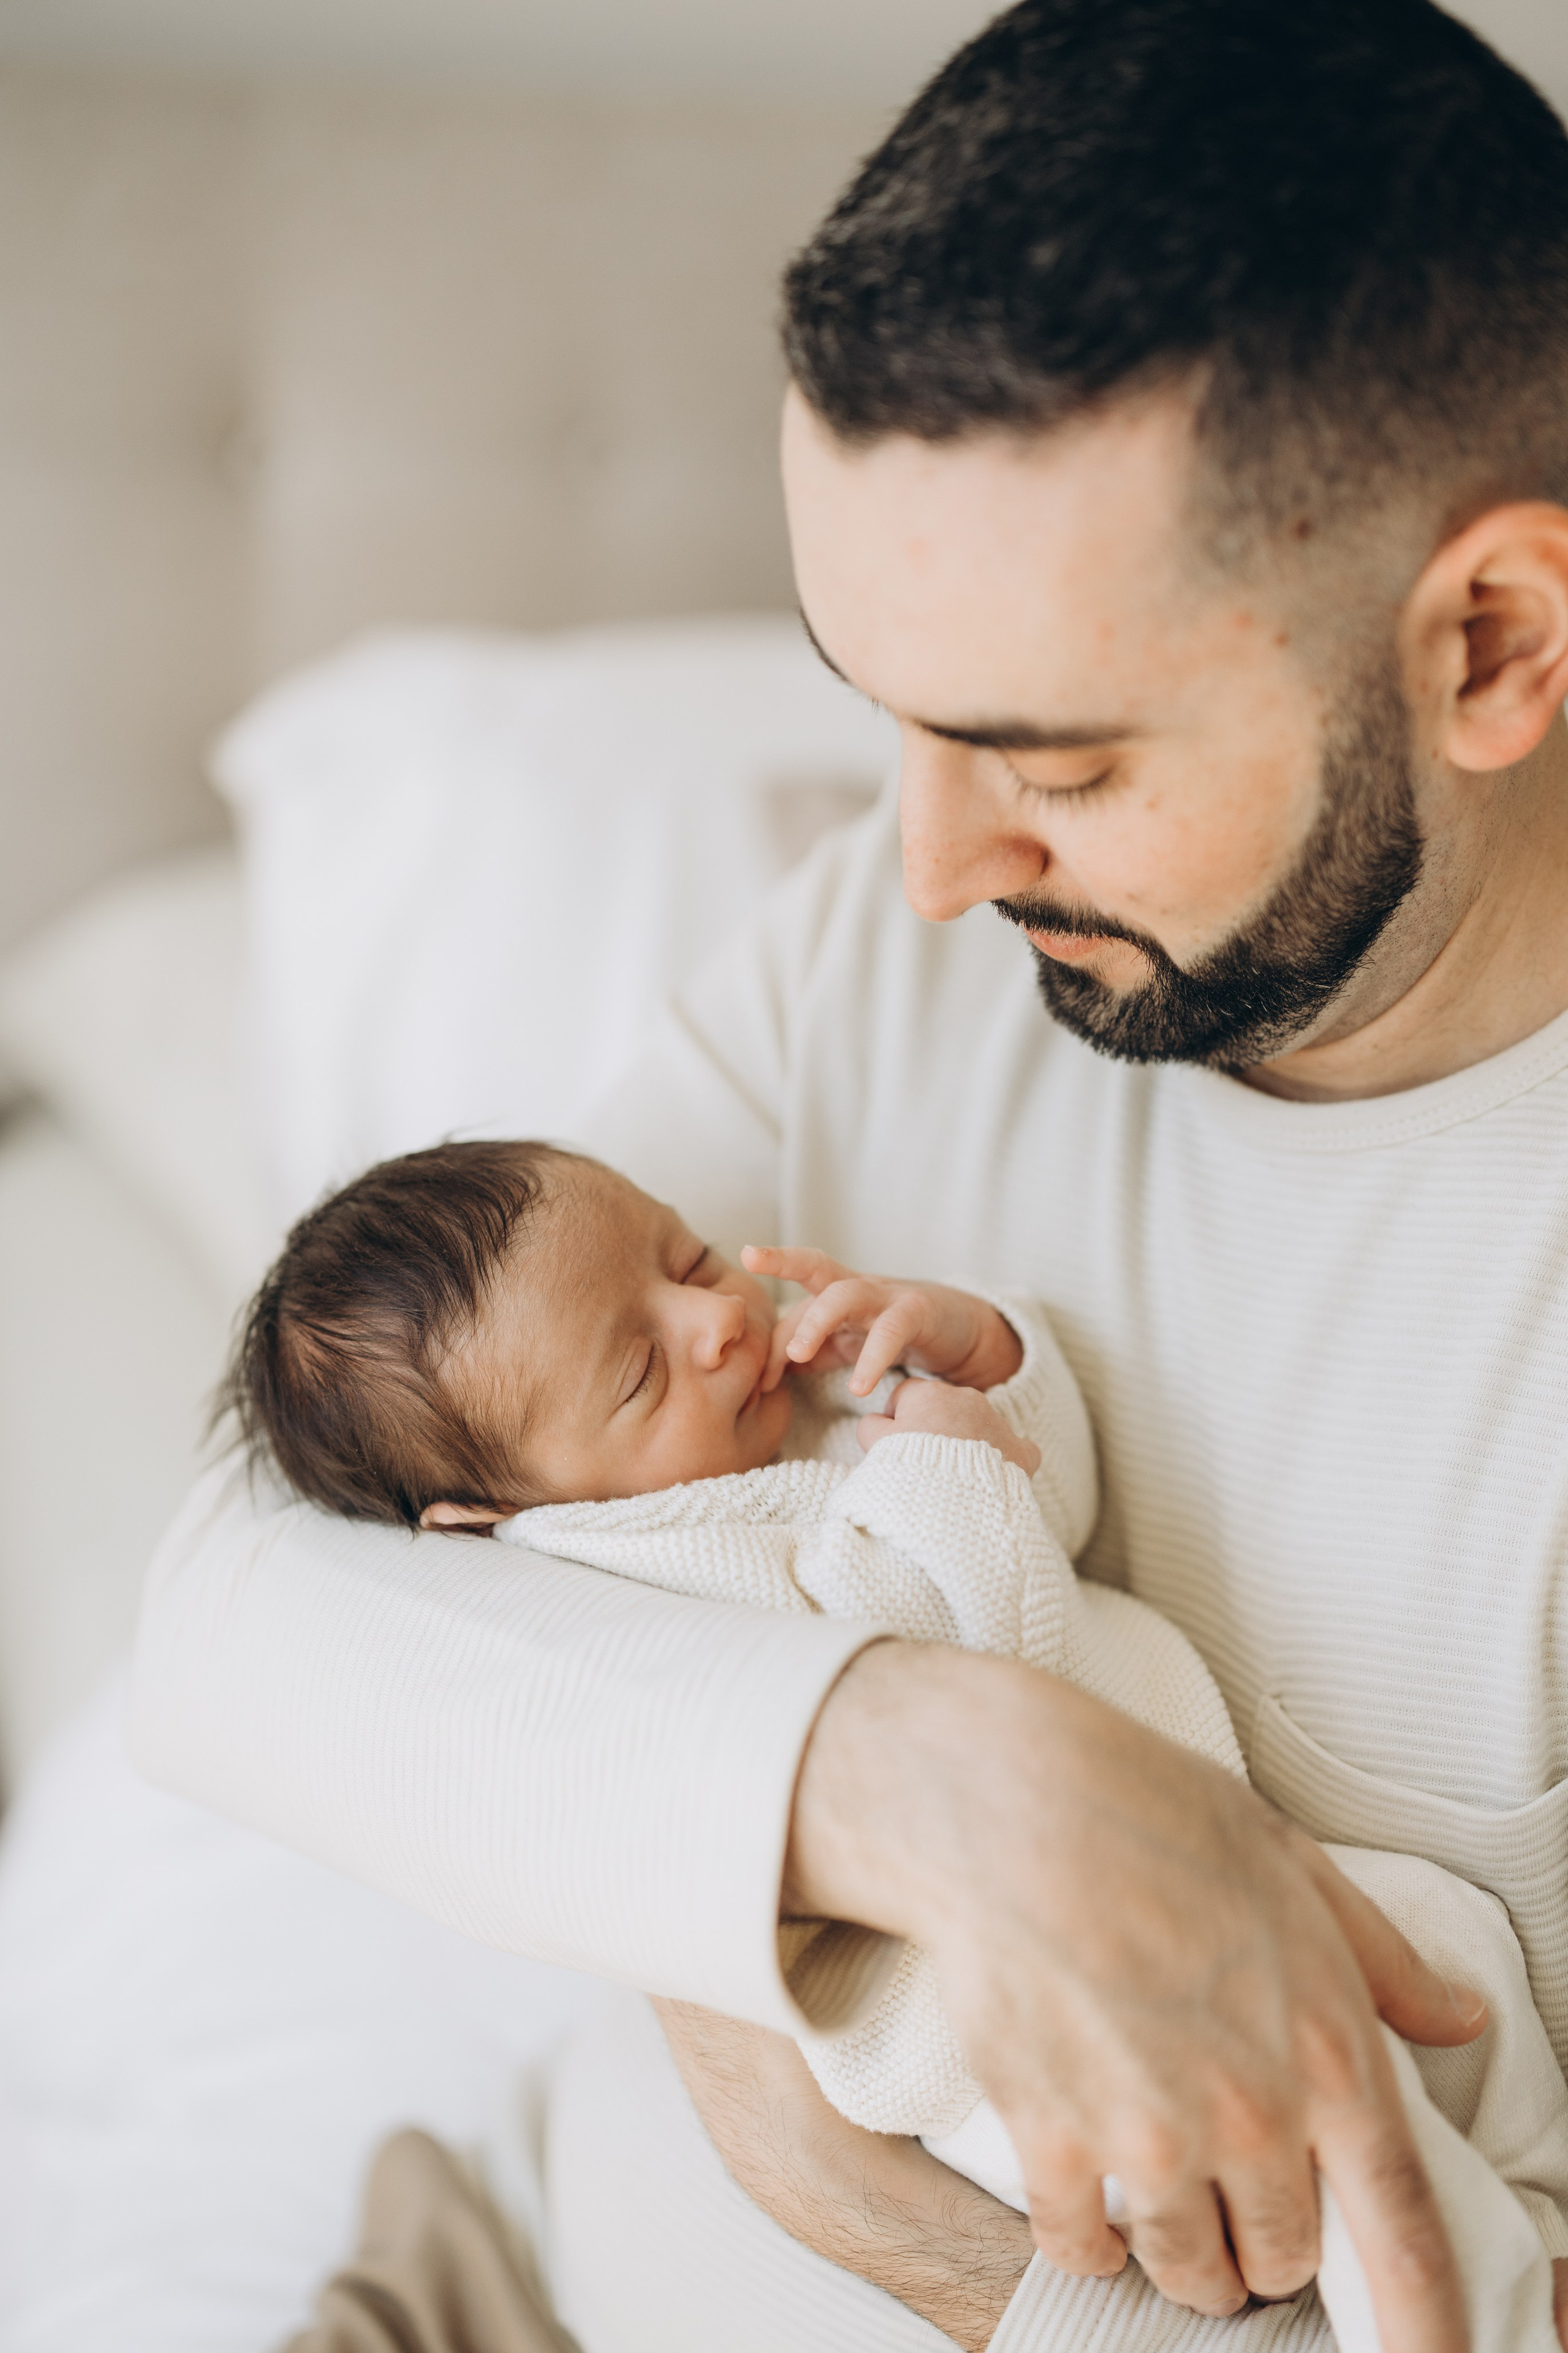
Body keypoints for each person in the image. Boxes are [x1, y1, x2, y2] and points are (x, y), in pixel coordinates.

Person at [131, 0, 1568, 2343]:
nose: (925, 866)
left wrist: (870, 2199)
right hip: (508, 2283)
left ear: (1490, 641)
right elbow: (235, 1590)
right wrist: (932, 1777)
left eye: (1054, 763)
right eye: (878, 708)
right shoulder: (892, 958)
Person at [221, 1137, 1567, 2347]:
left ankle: (1532, 2213)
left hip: (1200, 1878)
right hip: (997, 2051)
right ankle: (1483, 2320)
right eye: (637, 1373)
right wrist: (950, 1462)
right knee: (1315, 2132)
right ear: (490, 1522)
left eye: (684, 1257)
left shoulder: (773, 1398)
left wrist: (983, 1359)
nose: (715, 1324)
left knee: (1446, 1949)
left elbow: (1056, 1513)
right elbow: (977, 1656)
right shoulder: (640, 1566)